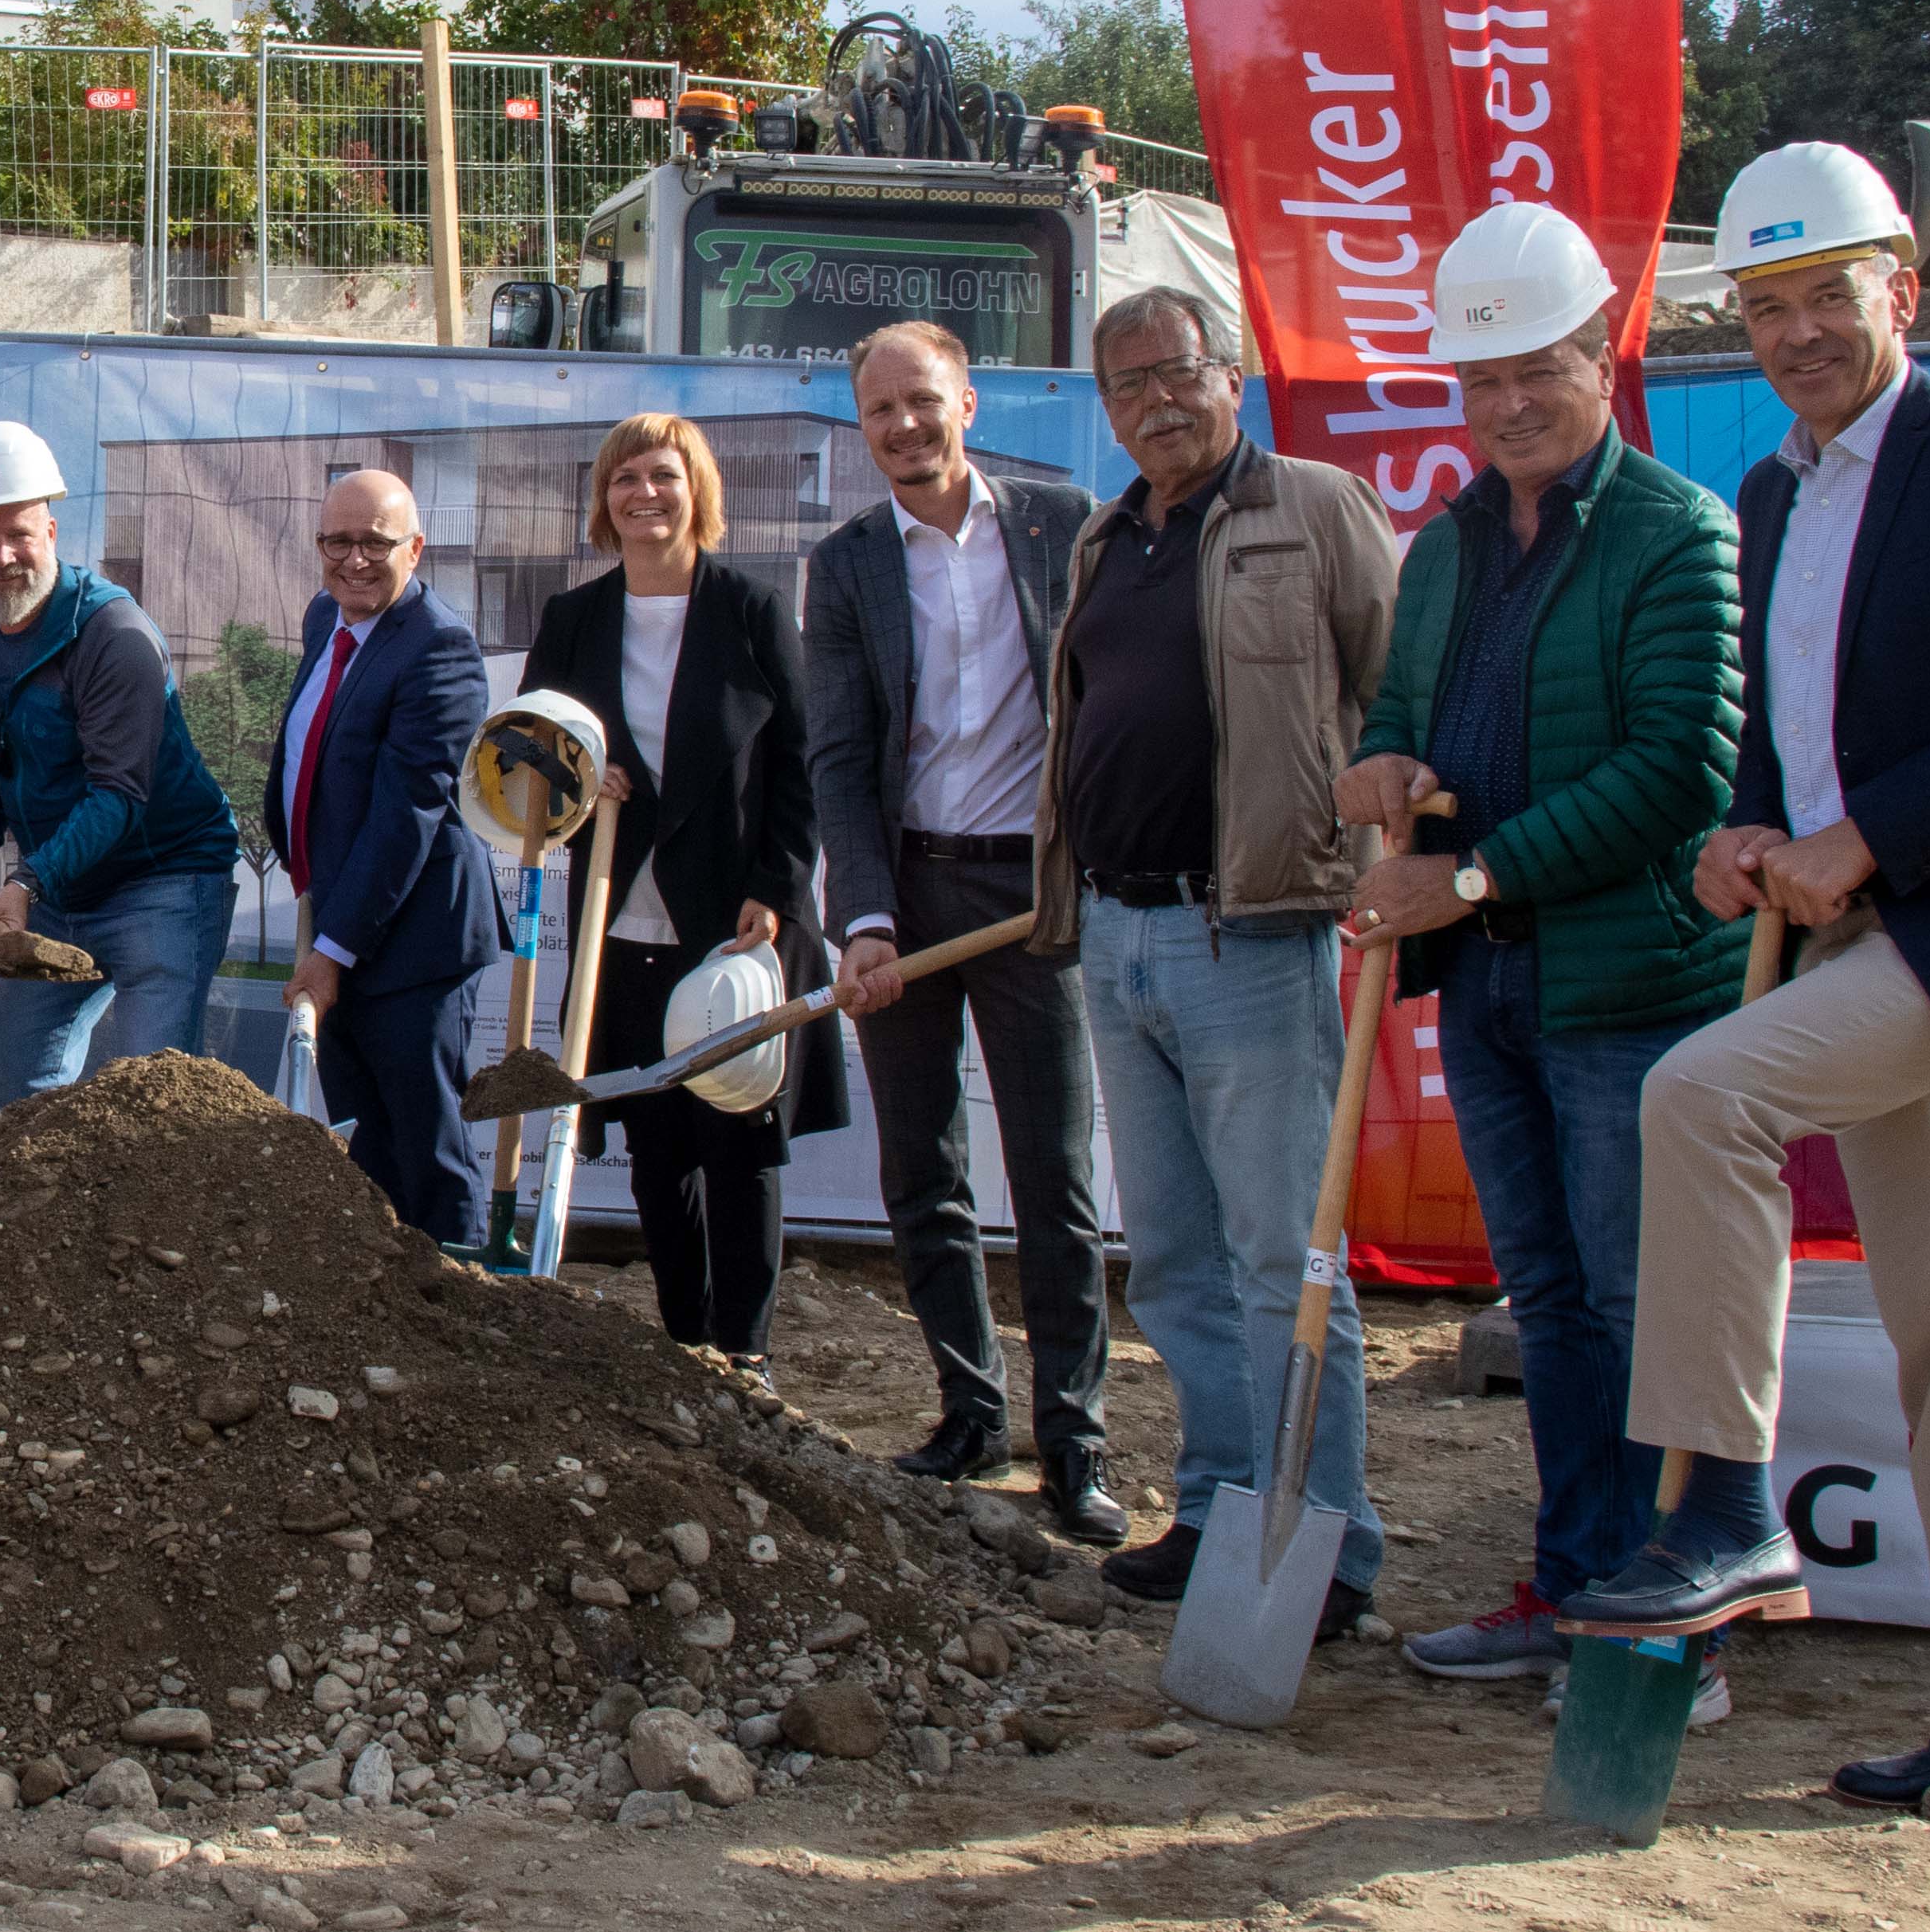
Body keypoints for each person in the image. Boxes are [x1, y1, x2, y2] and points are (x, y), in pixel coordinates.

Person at [1559, 143, 1930, 1809]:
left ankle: (1724, 1511)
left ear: (1906, 289)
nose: (1800, 331)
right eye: (1766, 305)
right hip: (1852, 927)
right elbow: (1786, 733)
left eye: (1829, 293)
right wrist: (1750, 833)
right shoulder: (1771, 492)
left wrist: (1869, 840)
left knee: (1706, 1092)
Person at [1333, 207, 1748, 1708]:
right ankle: (1576, 1581)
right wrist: (1380, 766)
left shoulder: (1678, 532)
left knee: (1640, 1303)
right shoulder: (1444, 542)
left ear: (1600, 353)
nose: (1506, 402)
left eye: (1537, 369)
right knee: (1549, 1304)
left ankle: (1664, 1625)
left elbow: (1674, 773)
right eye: (1479, 376)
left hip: (1626, 984)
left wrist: (1476, 870)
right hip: (1494, 984)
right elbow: (1402, 706)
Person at [1034, 292, 1401, 1634]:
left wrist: (1373, 852)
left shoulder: (1312, 507)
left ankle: (1326, 1544)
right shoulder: (1101, 535)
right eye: (1125, 385)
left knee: (1279, 1258)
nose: (1154, 403)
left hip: (1247, 929)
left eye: (1176, 372)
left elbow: (1393, 684)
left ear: (1230, 374)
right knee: (1177, 1259)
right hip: (1119, 936)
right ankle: (1217, 1505)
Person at [806, 319, 1116, 1540]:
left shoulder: (1064, 527)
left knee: (1054, 1178)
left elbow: (1109, 706)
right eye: (878, 410)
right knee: (920, 1172)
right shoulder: (845, 569)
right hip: (908, 897)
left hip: (1035, 897)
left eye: (921, 402)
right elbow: (839, 756)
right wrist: (864, 919)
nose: (902, 428)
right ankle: (968, 1413)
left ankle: (1075, 1445)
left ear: (967, 404)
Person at [522, 414, 850, 1366]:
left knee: (738, 1141)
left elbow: (802, 763)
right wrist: (586, 779)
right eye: (624, 478)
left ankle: (742, 1351)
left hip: (737, 920)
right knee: (658, 1143)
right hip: (620, 920)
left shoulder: (749, 612)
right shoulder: (572, 620)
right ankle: (684, 1340)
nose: (644, 494)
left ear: (696, 491)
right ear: (603, 500)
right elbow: (531, 751)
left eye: (663, 475)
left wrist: (780, 886)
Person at [0, 420, 244, 1104]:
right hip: (61, 891)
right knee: (18, 1086)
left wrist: (26, 884)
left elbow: (119, 793)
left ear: (50, 533)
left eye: (19, 532)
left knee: (154, 1096)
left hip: (162, 880)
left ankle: (164, 1214)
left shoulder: (114, 634)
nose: (3, 554)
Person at [262, 468, 505, 1243]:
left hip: (413, 943)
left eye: (376, 542)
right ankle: (387, 1326)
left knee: (427, 1147)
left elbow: (407, 815)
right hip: (340, 920)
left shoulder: (441, 650)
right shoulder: (322, 620)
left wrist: (333, 950)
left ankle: (458, 1311)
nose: (355, 560)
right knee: (367, 1149)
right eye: (338, 541)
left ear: (416, 547)